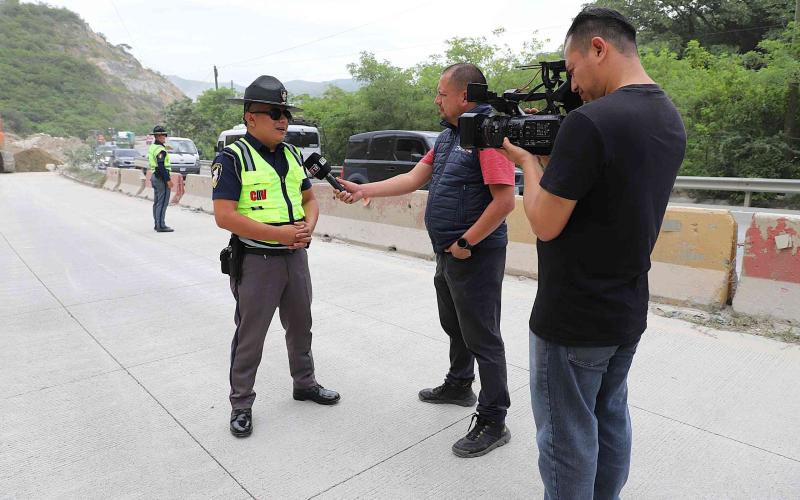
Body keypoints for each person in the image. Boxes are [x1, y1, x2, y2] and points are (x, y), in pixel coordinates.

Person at [498, 8, 687, 499]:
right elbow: (603, 193)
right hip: (625, 308)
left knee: (565, 441)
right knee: (609, 420)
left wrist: (523, 160)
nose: (573, 84)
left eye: (573, 67)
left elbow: (544, 222)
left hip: (573, 317)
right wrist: (549, 160)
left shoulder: (590, 122)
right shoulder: (667, 115)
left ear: (598, 48)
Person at [336, 63, 517, 458]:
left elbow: (505, 201)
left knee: (483, 336)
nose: (436, 99)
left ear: (465, 96)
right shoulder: (453, 135)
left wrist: (466, 243)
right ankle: (458, 384)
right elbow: (414, 178)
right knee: (455, 324)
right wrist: (362, 189)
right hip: (449, 251)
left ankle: (493, 419)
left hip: (474, 253)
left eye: (441, 93)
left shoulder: (487, 135)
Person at [212, 75, 340, 438]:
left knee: (301, 324)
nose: (283, 120)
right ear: (250, 117)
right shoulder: (233, 158)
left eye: (285, 112)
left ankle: (305, 383)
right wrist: (280, 235)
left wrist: (307, 228)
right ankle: (241, 404)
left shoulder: (291, 154)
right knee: (251, 334)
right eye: (273, 113)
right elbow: (225, 216)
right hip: (257, 261)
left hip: (295, 257)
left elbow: (310, 200)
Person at [148, 125, 174, 232]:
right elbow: (161, 166)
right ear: (158, 136)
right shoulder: (160, 149)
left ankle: (157, 224)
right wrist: (168, 180)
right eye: (163, 135)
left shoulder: (153, 147)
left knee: (157, 202)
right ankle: (161, 225)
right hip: (161, 177)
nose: (165, 137)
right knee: (162, 202)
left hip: (155, 176)